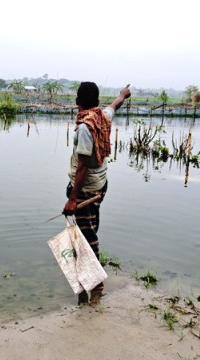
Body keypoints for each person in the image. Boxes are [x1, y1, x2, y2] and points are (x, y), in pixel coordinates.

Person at [63, 82, 131, 306]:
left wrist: (73, 199)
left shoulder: (85, 126)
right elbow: (116, 105)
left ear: (78, 101)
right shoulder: (102, 116)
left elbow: (82, 165)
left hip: (85, 189)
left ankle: (96, 285)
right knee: (88, 229)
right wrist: (123, 94)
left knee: (86, 237)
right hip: (101, 185)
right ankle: (87, 283)